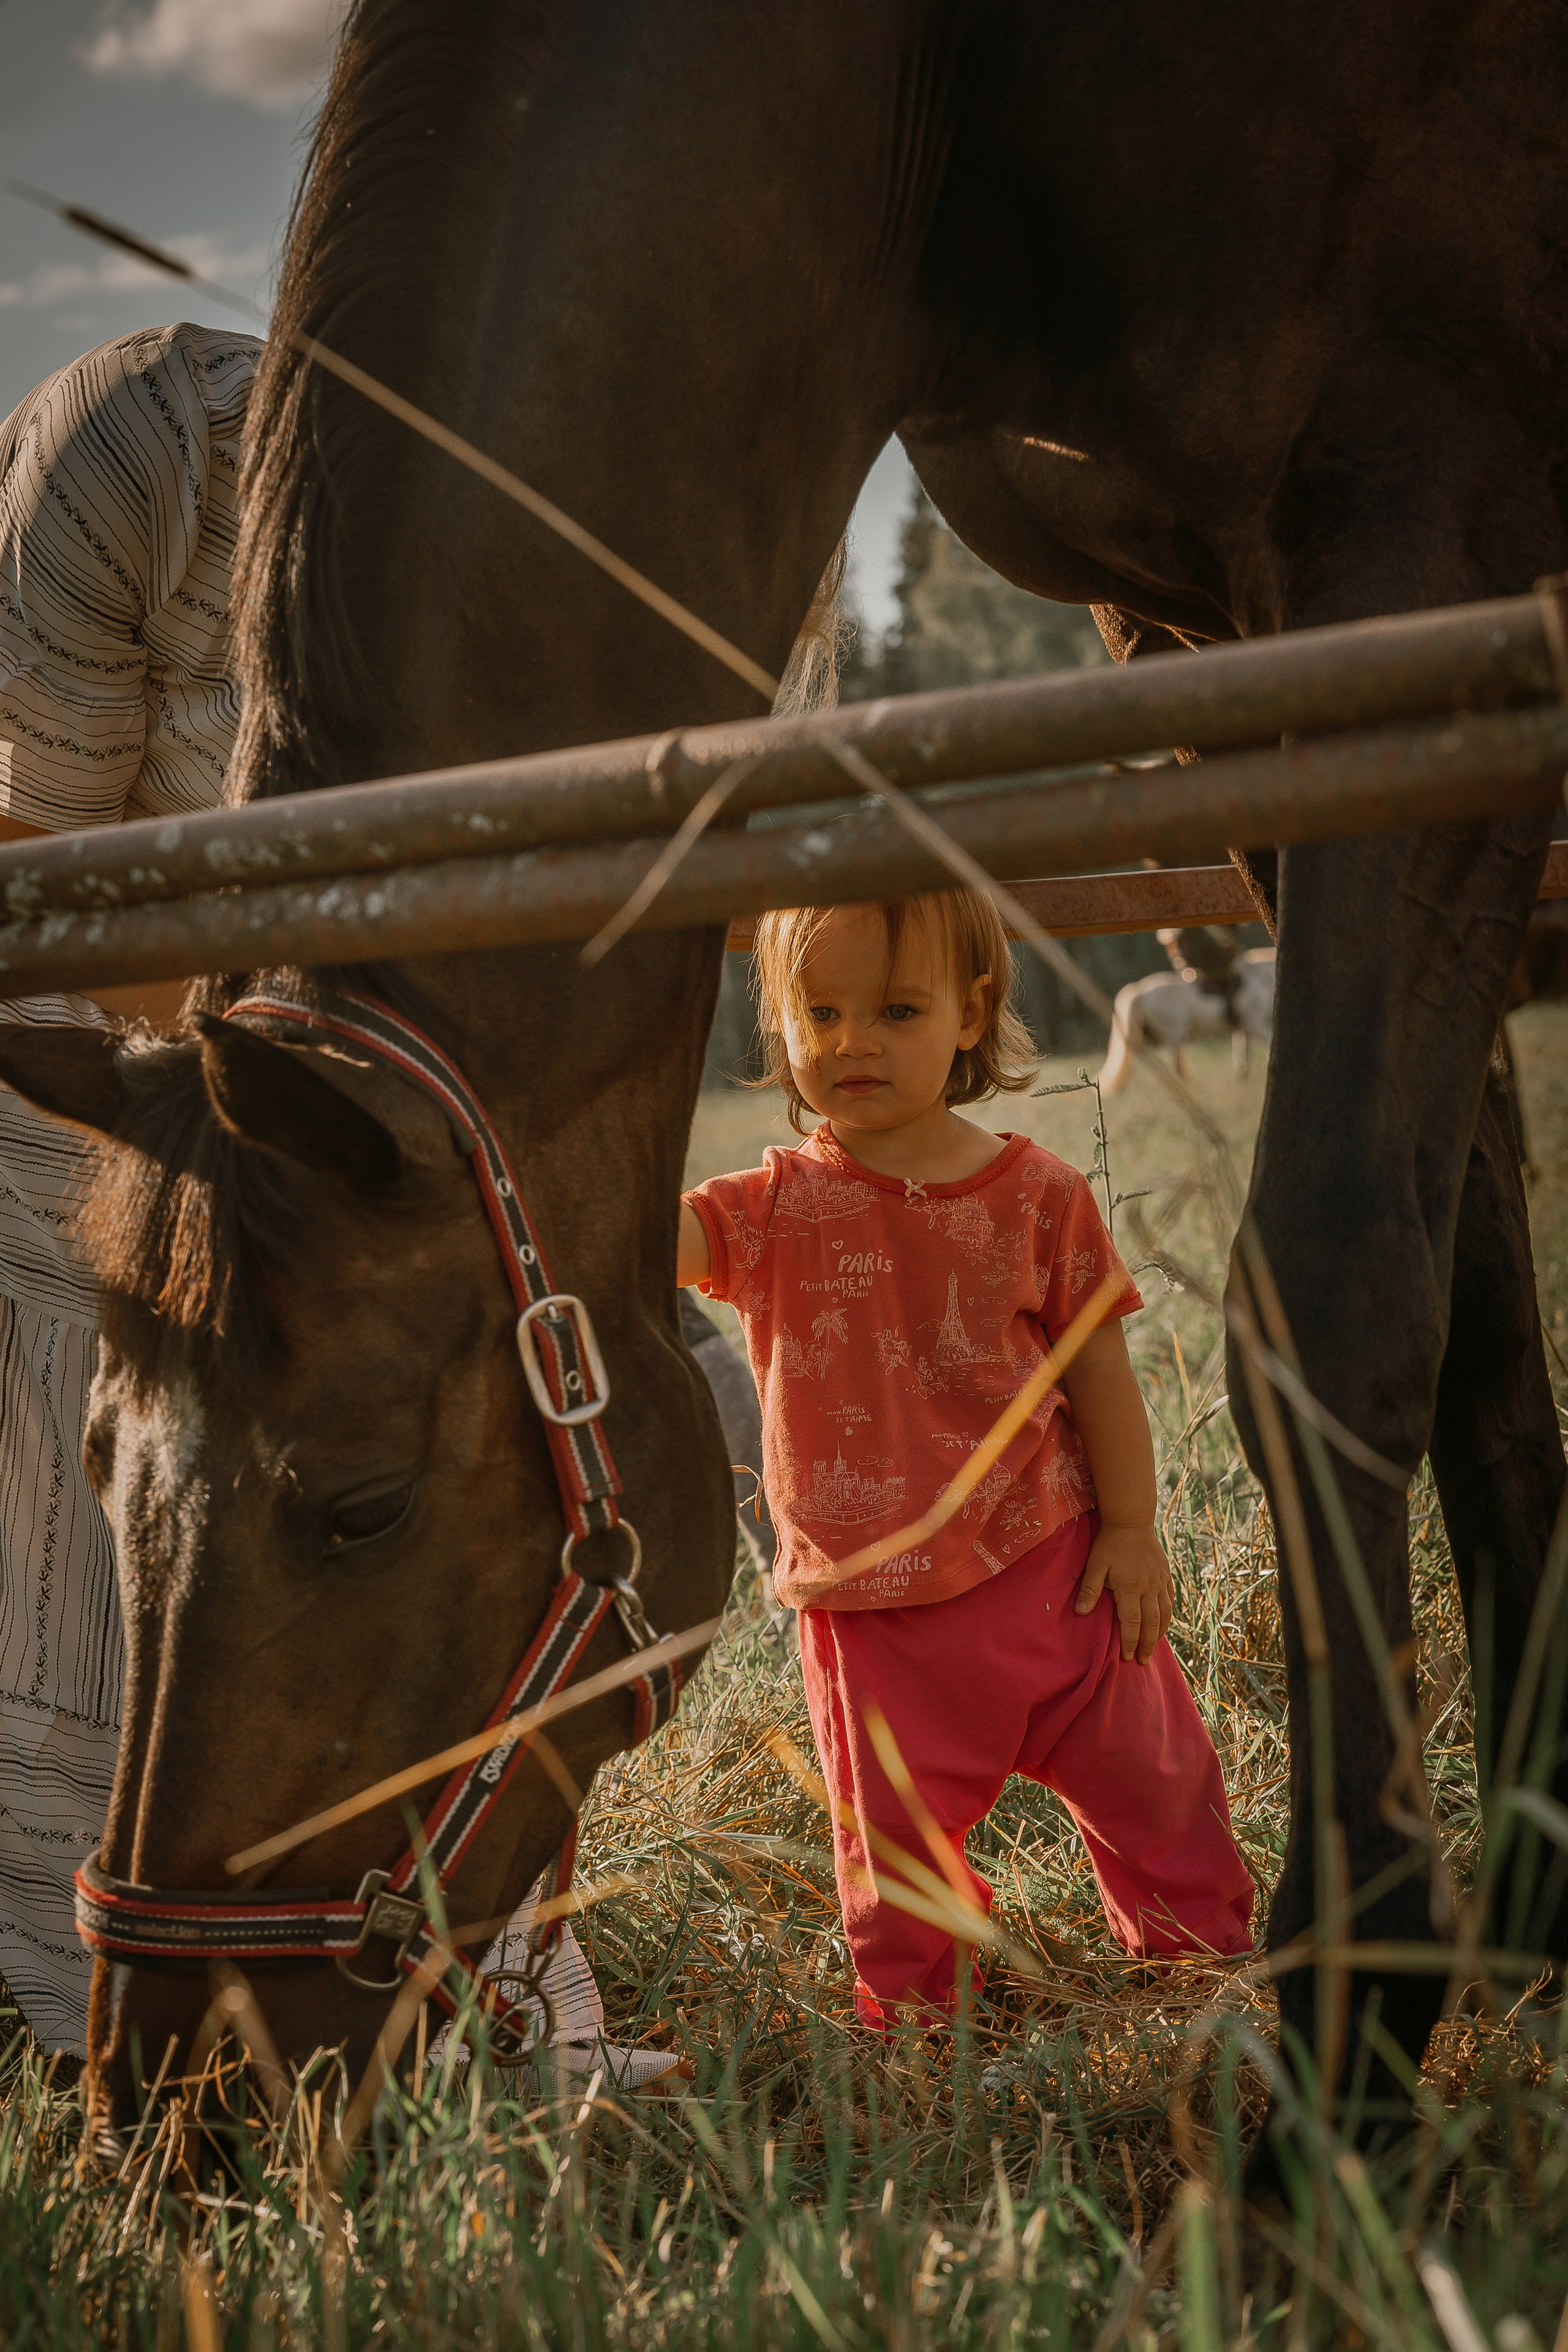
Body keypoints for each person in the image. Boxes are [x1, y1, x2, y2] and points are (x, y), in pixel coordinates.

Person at [0, 323, 742, 2080]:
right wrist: (265, 1091)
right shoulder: (144, 460)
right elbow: (31, 876)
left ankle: (471, 1972)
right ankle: (92, 1982)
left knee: (521, 1447)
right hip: (106, 1071)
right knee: (132, 1482)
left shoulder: (651, 548)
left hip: (420, 1128)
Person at [677, 890, 1254, 2026]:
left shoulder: (1041, 1195)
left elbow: (1102, 1377)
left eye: (897, 1011)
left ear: (972, 1014)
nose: (853, 1042)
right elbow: (634, 1240)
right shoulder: (769, 1207)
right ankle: (927, 2024)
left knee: (1160, 1787)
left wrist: (1131, 1528)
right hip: (874, 1617)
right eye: (820, 1012)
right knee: (895, 1853)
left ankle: (1204, 1970)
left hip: (1058, 1575)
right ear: (780, 1022)